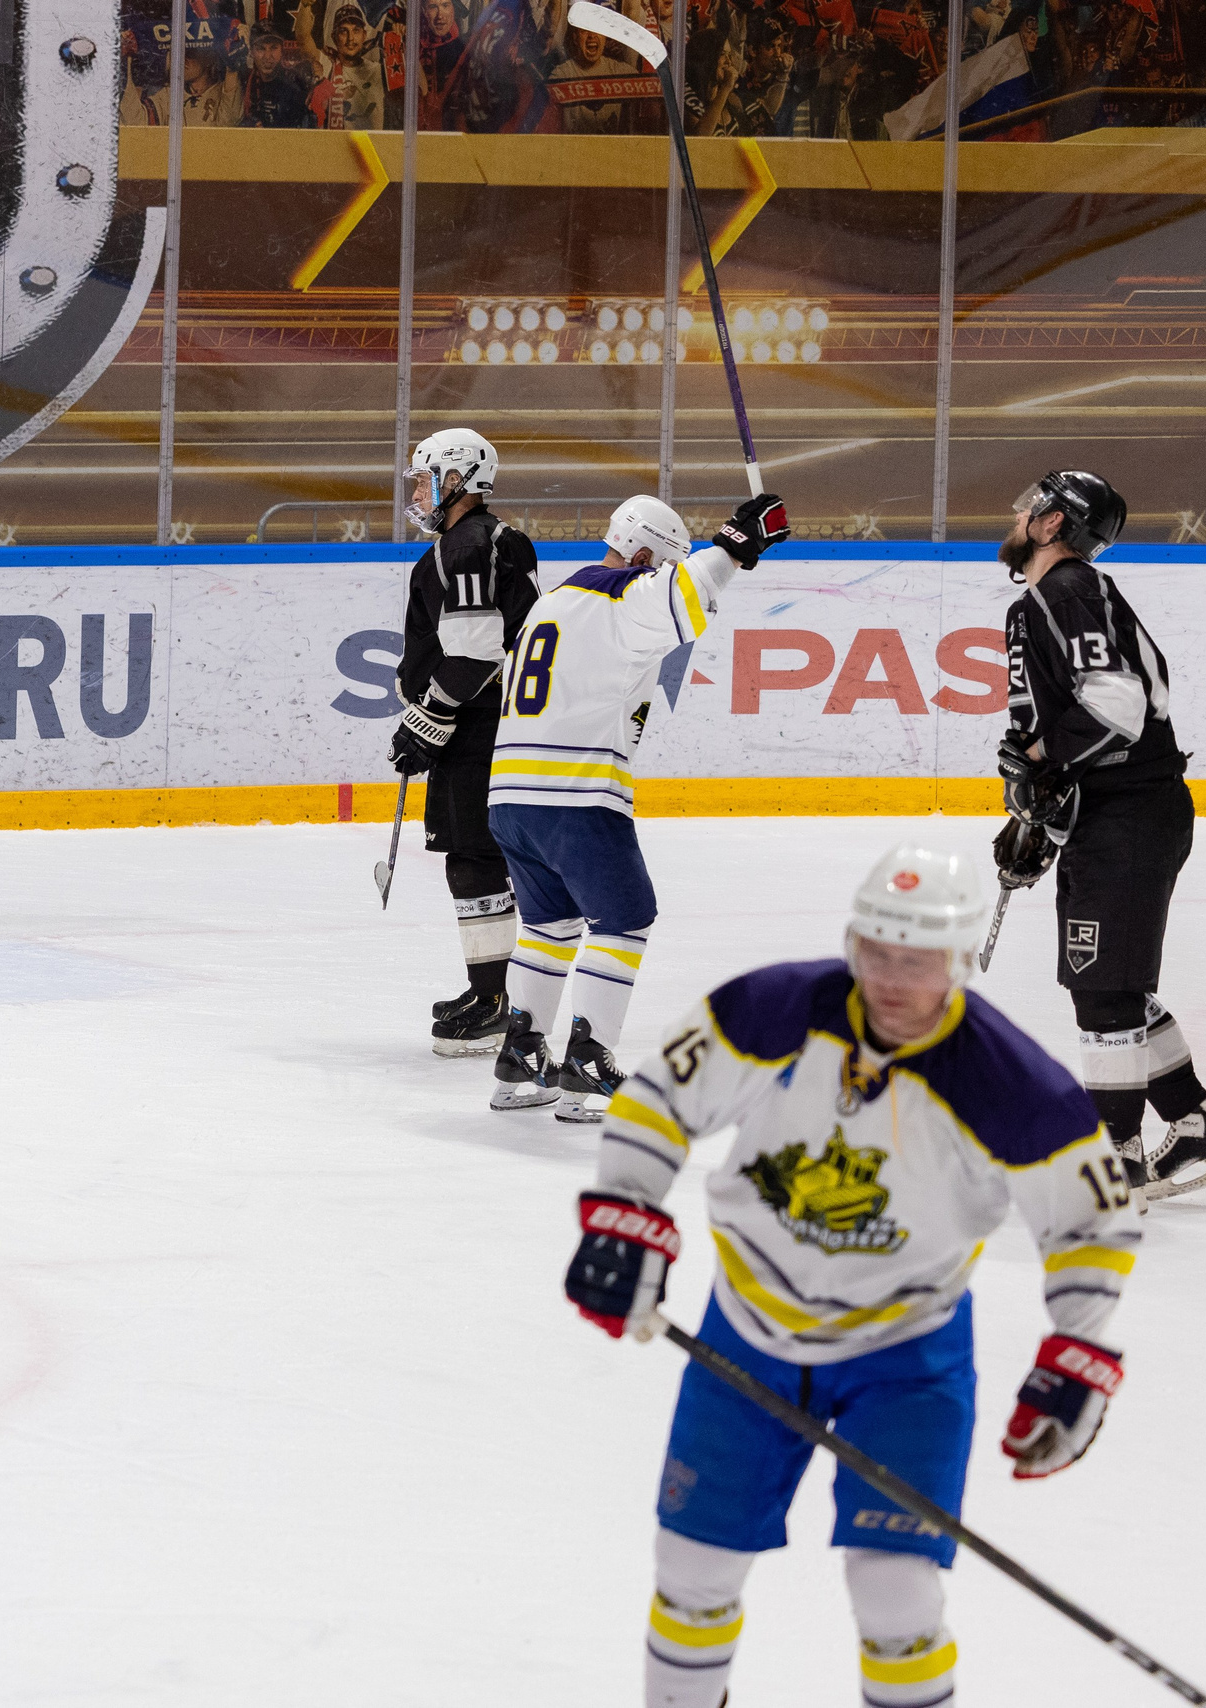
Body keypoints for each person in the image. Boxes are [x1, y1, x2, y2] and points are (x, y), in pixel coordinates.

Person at [565, 842, 1141, 1708]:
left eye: (918, 961)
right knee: (692, 1572)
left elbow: (1092, 1221)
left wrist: (1078, 1353)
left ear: (961, 959)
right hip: (748, 1329)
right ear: (851, 940)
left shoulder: (1014, 1086)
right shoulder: (773, 1011)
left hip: (906, 1357)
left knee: (895, 1591)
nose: (892, 980)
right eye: (877, 952)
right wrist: (626, 1210)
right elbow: (657, 1098)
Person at [485, 490, 789, 1119]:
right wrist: (738, 541)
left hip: (511, 798)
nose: (658, 578)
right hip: (574, 794)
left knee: (550, 924)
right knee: (624, 919)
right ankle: (587, 1064)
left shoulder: (555, 601)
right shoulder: (619, 596)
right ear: (643, 554)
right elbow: (683, 590)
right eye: (657, 566)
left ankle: (521, 1052)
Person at [993, 470, 1206, 1201]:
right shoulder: (1052, 596)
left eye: (1029, 507)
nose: (1016, 512)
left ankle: (1116, 1161)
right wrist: (1035, 808)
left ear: (1051, 526)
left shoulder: (1068, 590)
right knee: (1114, 989)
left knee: (1104, 993)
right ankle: (1195, 1127)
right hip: (1117, 814)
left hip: (1129, 815)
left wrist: (1039, 763)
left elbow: (1117, 707)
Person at [388, 428, 541, 1057]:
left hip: (479, 727)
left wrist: (428, 720)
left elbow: (478, 651)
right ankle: (497, 993)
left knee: (474, 859)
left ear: (457, 479)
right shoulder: (485, 542)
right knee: (482, 859)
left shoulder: (469, 544)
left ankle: (494, 1000)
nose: (420, 492)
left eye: (427, 479)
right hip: (491, 723)